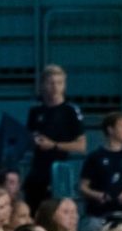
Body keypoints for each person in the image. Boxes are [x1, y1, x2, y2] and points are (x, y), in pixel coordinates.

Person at [24, 65, 85, 208]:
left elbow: (81, 146)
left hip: (60, 170)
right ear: (43, 85)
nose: (55, 87)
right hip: (38, 170)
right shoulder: (35, 111)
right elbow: (28, 139)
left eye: (59, 83)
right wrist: (33, 140)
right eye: (51, 83)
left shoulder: (70, 111)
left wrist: (54, 145)